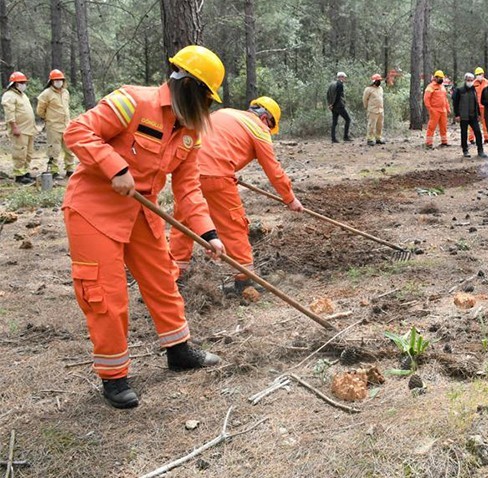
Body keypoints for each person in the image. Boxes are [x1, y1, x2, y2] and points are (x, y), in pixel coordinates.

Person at [62, 45, 227, 409]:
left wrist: (209, 234)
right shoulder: (132, 101)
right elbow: (77, 131)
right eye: (206, 98)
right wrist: (114, 168)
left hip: (142, 211)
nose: (208, 108)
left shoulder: (189, 132)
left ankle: (178, 350)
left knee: (163, 280)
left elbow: (189, 189)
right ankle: (114, 376)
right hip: (95, 209)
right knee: (106, 293)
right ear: (190, 87)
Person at [170, 96, 303, 295]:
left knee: (183, 224)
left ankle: (175, 276)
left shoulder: (225, 113)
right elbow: (273, 170)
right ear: (266, 118)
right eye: (270, 125)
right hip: (217, 177)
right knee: (233, 225)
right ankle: (245, 280)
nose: (268, 130)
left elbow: (212, 144)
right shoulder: (259, 129)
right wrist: (290, 199)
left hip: (185, 173)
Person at [37, 69, 76, 180]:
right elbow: (40, 110)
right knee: (54, 149)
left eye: (60, 80)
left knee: (69, 149)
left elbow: (66, 108)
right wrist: (48, 119)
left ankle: (70, 169)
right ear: (51, 81)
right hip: (53, 126)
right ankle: (54, 171)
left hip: (66, 125)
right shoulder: (46, 94)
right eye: (56, 80)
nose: (58, 82)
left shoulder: (65, 92)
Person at [2, 72, 36, 184]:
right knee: (19, 152)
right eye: (21, 82)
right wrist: (14, 127)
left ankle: (25, 171)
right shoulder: (9, 95)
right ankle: (19, 175)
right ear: (15, 84)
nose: (23, 84)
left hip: (29, 129)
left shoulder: (23, 95)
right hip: (19, 129)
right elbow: (9, 113)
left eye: (24, 82)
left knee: (28, 153)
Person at [452, 72, 485, 158]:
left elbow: (476, 102)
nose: (470, 81)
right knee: (464, 133)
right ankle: (465, 150)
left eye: (471, 80)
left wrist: (478, 114)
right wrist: (457, 115)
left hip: (473, 115)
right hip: (463, 116)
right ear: (465, 80)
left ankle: (480, 150)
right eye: (468, 80)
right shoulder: (459, 90)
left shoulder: (473, 89)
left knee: (478, 132)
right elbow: (455, 103)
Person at [424, 70, 450, 148]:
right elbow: (426, 99)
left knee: (443, 127)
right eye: (440, 77)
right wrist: (430, 108)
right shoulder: (430, 87)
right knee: (431, 127)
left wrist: (448, 108)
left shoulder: (442, 87)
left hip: (443, 110)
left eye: (442, 77)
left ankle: (444, 142)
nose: (441, 79)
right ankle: (429, 143)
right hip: (434, 110)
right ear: (435, 78)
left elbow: (445, 99)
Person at [327, 72, 351, 143]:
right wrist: (333, 104)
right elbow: (338, 96)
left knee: (334, 122)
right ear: (340, 77)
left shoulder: (332, 84)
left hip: (333, 107)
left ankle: (333, 138)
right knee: (348, 120)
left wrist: (330, 104)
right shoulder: (340, 84)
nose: (344, 79)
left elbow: (328, 94)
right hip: (339, 106)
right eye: (343, 77)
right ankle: (345, 137)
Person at [468, 67, 488, 144]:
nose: (478, 76)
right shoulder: (473, 84)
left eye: (480, 74)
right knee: (473, 123)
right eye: (477, 74)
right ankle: (471, 138)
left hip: (484, 106)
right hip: (475, 107)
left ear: (483, 74)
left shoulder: (487, 83)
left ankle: (487, 138)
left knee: (485, 122)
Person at [363, 74, 385, 146]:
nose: (379, 81)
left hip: (380, 110)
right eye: (377, 80)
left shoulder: (380, 89)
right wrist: (366, 107)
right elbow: (365, 99)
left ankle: (378, 138)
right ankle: (370, 139)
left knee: (380, 125)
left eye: (379, 80)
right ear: (374, 81)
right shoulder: (368, 89)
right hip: (372, 110)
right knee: (371, 125)